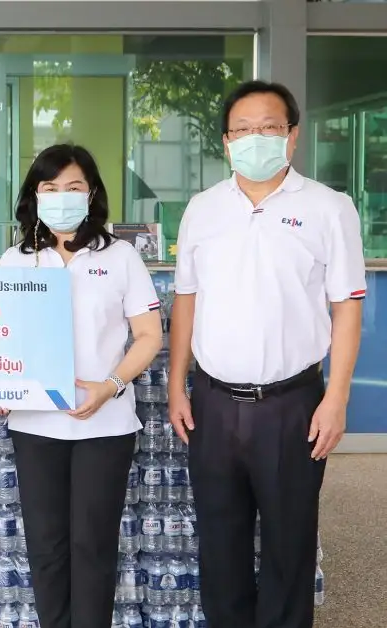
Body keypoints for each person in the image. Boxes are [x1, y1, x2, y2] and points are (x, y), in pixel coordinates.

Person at [168, 80, 366, 628]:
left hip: (291, 405)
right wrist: (177, 386)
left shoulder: (329, 208)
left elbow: (347, 308)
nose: (255, 138)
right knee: (220, 544)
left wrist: (337, 399)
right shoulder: (203, 210)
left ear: (292, 136)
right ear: (226, 141)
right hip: (212, 404)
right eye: (243, 129)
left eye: (269, 127)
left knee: (288, 545)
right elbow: (186, 299)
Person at [0, 143, 163, 628]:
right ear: (34, 196)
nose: (61, 197)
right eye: (50, 188)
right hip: (36, 425)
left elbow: (149, 335)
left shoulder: (120, 256)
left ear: (91, 195)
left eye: (73, 187)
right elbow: (1, 338)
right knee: (46, 548)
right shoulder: (16, 260)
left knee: (93, 547)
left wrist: (111, 385)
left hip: (105, 426)